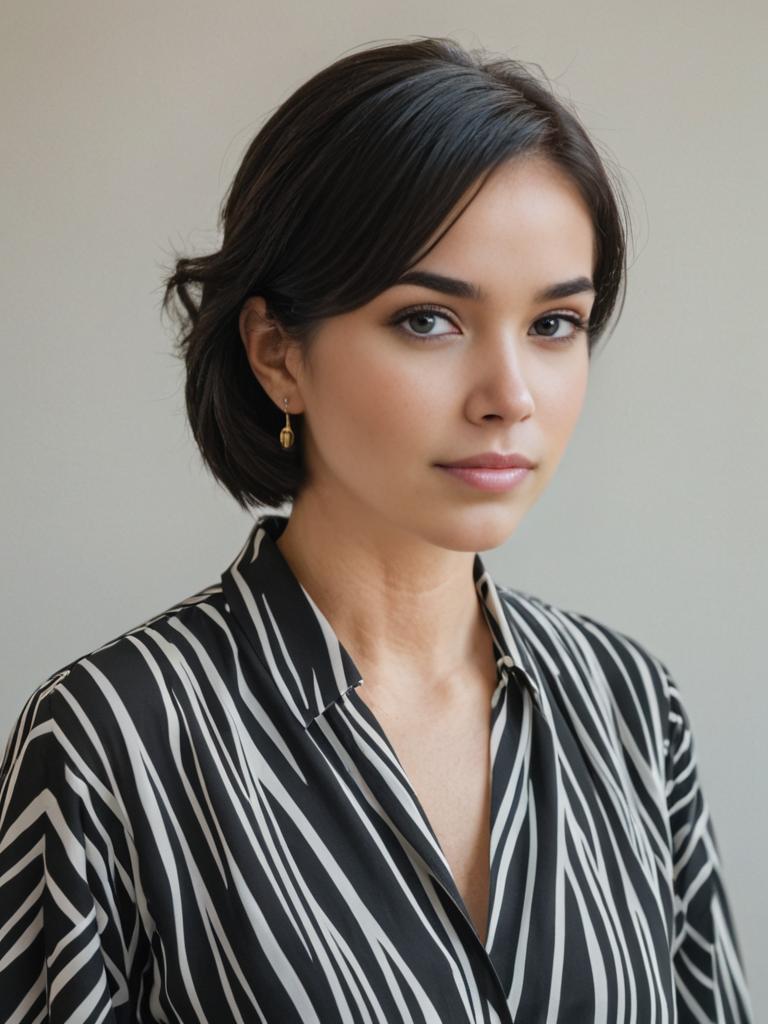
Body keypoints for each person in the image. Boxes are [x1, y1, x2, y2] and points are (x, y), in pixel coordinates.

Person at [0, 35, 753, 1024]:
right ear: (278, 354)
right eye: (428, 320)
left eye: (555, 324)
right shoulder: (114, 735)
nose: (510, 396)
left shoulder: (630, 707)